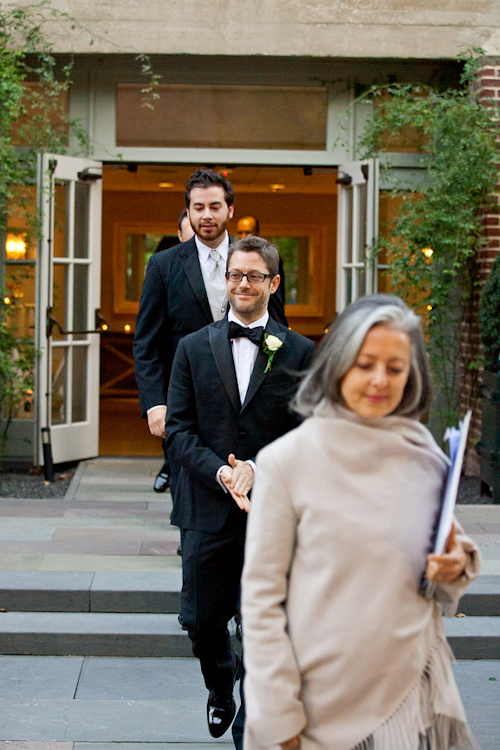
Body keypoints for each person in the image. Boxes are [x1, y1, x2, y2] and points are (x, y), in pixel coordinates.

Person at [241, 293, 481, 750]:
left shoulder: (424, 455)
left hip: (415, 701)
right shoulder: (286, 462)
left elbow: (447, 560)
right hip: (317, 711)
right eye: (365, 364)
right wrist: (278, 719)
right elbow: (260, 602)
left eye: (395, 368)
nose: (379, 380)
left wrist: (456, 564)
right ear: (337, 365)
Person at [165, 235, 315, 747]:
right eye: (234, 275)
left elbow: (307, 435)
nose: (242, 284)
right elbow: (179, 431)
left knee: (266, 628)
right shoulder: (191, 348)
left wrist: (256, 467)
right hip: (206, 507)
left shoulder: (300, 352)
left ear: (273, 285)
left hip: (273, 514)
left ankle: (253, 723)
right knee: (202, 622)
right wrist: (224, 473)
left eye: (253, 276)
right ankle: (220, 686)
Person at [133, 169, 288, 486]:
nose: (206, 215)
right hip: (187, 403)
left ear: (230, 210)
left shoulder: (259, 261)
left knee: (251, 496)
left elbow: (278, 329)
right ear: (187, 211)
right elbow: (146, 342)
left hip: (248, 398)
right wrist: (154, 403)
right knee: (190, 497)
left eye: (215, 207)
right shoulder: (163, 265)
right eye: (198, 207)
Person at [152, 209, 195, 493]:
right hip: (174, 371)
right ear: (179, 236)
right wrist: (154, 401)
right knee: (177, 438)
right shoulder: (163, 267)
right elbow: (149, 337)